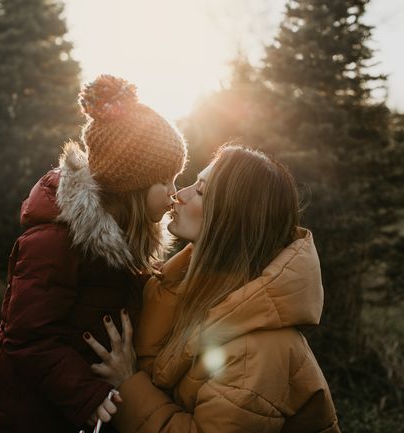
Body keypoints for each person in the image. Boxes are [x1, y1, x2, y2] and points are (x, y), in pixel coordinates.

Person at [0, 75, 187, 433]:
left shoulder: (129, 240)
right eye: (166, 180)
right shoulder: (56, 242)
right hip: (30, 413)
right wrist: (85, 395)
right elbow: (27, 337)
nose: (174, 192)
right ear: (132, 185)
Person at [84, 144, 342, 433]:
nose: (177, 195)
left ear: (231, 218)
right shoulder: (180, 289)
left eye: (201, 191)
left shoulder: (256, 352)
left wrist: (128, 384)